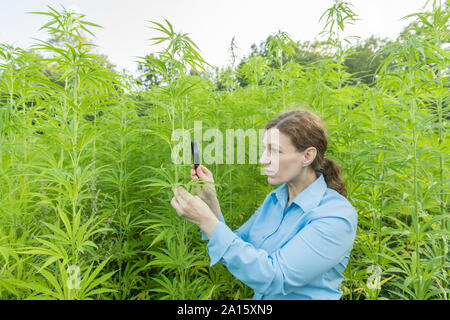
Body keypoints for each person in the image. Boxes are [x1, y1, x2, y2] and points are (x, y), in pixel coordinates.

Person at [170, 109, 358, 300]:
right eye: (264, 149)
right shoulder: (275, 200)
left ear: (307, 156)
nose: (263, 159)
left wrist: (206, 221)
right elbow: (239, 249)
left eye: (275, 150)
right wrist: (211, 205)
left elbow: (276, 278)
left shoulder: (336, 216)